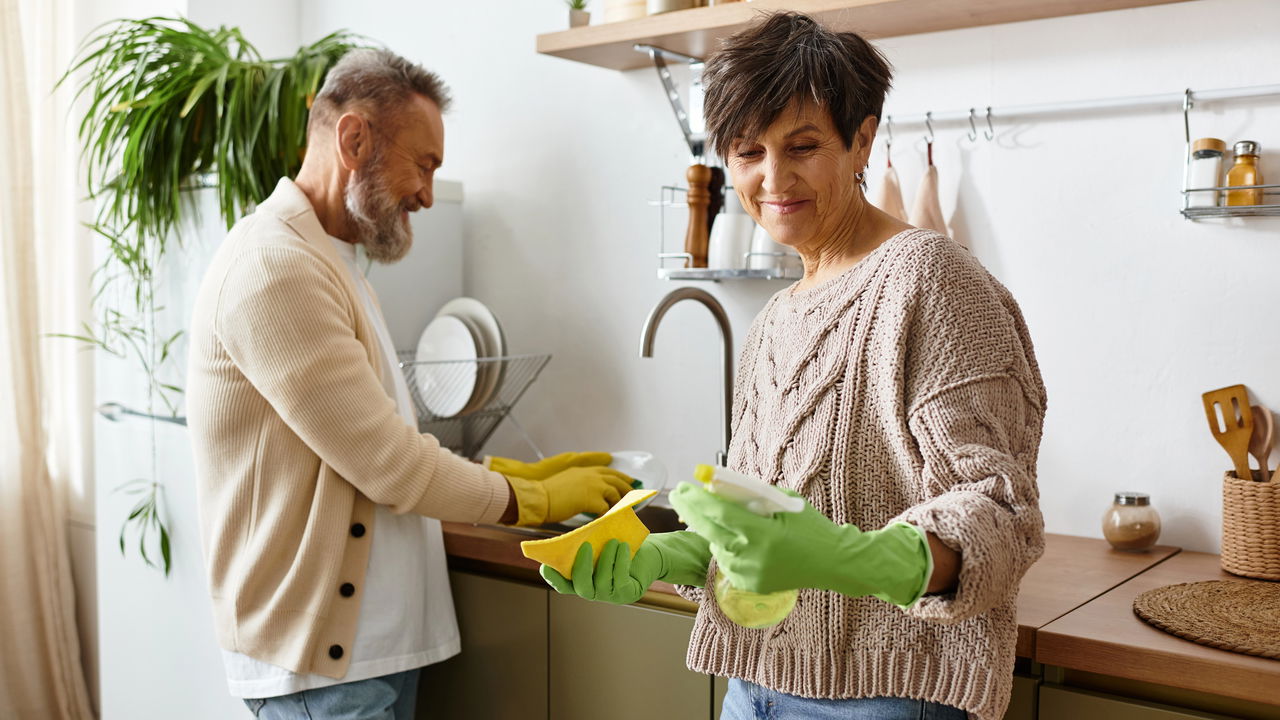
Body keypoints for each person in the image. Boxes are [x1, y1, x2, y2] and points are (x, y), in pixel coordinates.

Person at [537, 13, 1046, 720]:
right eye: (748, 152)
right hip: (753, 689)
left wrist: (855, 559)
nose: (773, 178)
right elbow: (761, 536)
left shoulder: (931, 277)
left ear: (862, 139)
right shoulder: (776, 316)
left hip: (887, 697)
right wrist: (667, 558)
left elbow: (1002, 517)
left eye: (803, 146)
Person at [186, 48, 632, 719]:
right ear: (354, 139)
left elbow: (365, 440)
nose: (428, 192)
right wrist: (532, 499)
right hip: (321, 672)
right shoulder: (274, 268)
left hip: (375, 657)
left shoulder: (336, 264)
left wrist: (508, 472)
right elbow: (389, 466)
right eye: (424, 164)